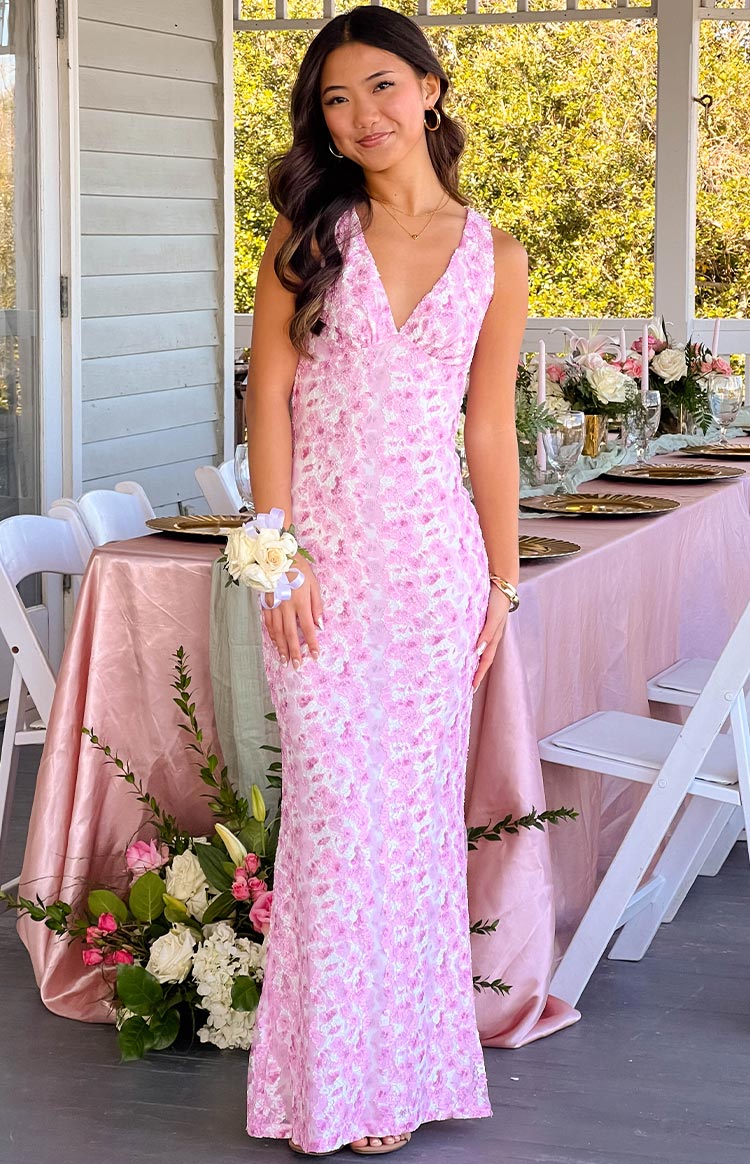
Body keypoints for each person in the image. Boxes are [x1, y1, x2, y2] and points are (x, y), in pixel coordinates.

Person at [244, 4, 528, 1156]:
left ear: (429, 86)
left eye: (380, 88)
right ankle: (324, 1086)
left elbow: (492, 430)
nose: (361, 116)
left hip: (433, 580)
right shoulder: (308, 235)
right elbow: (265, 397)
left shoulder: (496, 254)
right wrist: (276, 557)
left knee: (407, 836)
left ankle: (395, 1080)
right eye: (334, 100)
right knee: (334, 822)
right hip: (317, 576)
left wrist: (502, 586)